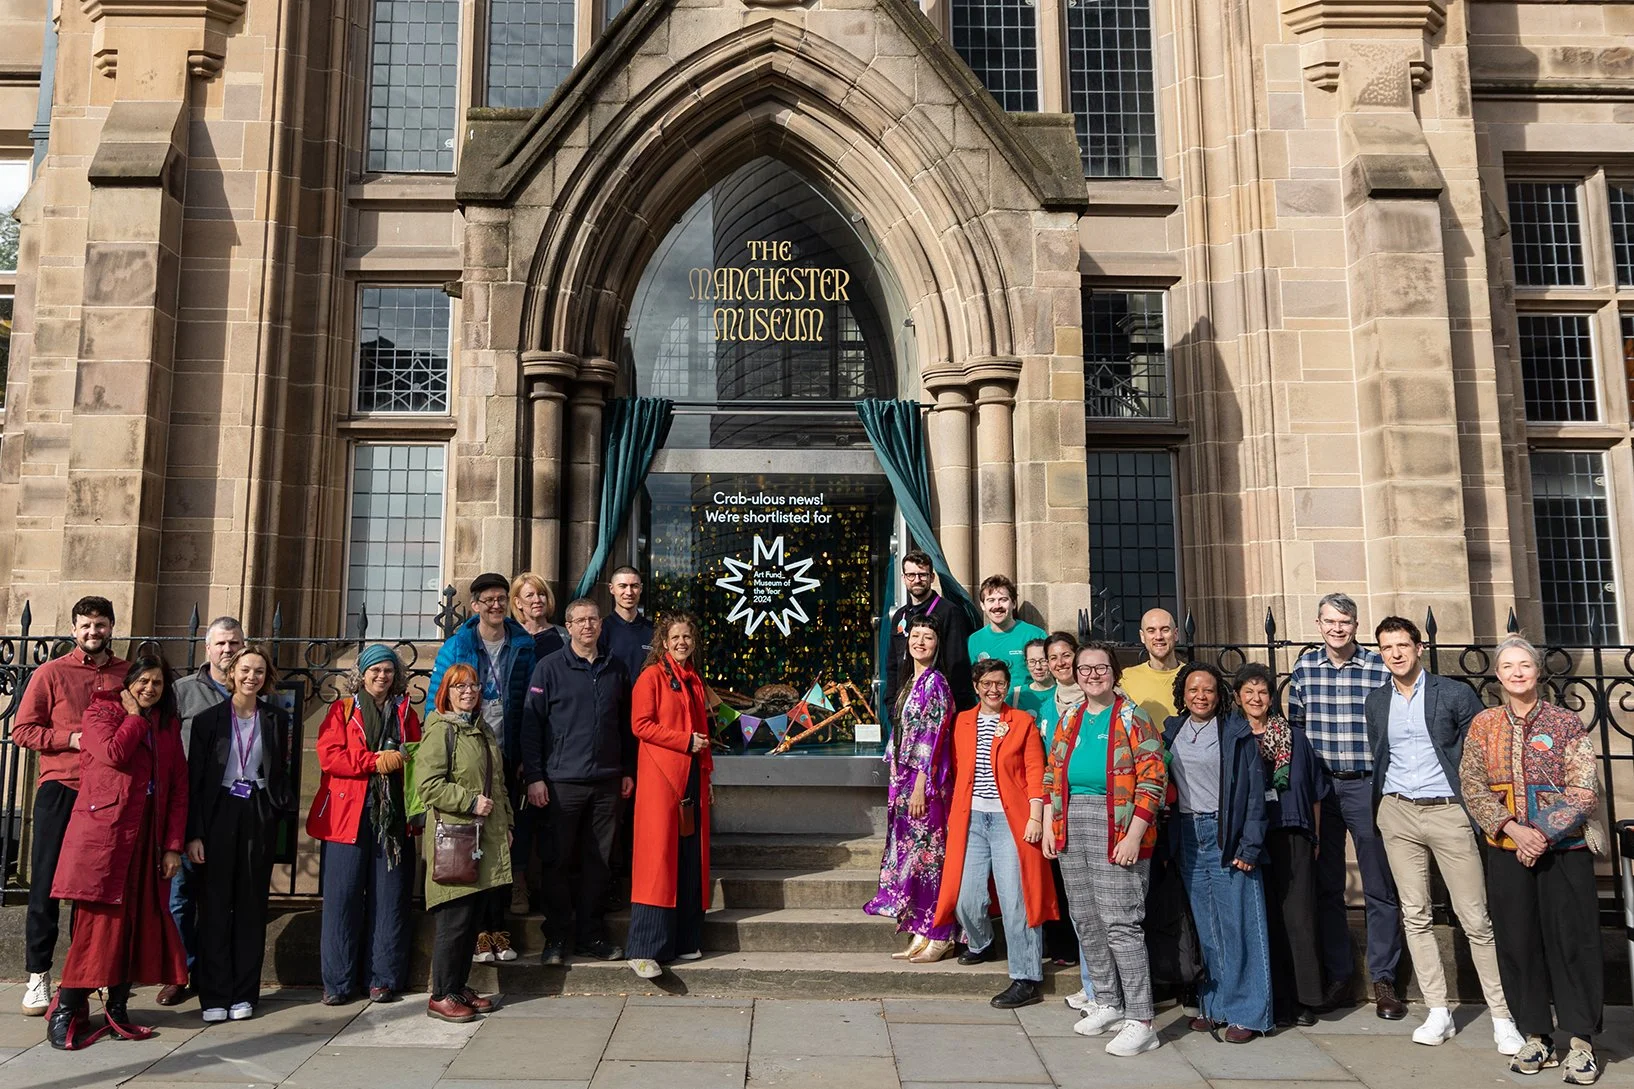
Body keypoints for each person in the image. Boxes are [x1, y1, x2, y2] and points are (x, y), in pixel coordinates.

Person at [1365, 617, 1522, 1053]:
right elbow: (1382, 754)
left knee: (1475, 918)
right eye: (1386, 647)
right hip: (1397, 813)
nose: (1395, 653)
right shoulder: (1376, 702)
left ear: (1418, 647)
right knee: (1414, 915)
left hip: (1449, 813)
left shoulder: (1453, 694)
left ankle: (1502, 1015)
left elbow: (1481, 755)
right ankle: (1438, 1011)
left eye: (1402, 645)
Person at [1459, 637, 1603, 1084]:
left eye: (1525, 665)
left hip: (1564, 852)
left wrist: (1541, 831)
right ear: (1498, 675)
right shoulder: (1483, 725)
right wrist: (1514, 830)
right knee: (1518, 943)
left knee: (1571, 943)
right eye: (1508, 666)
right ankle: (1536, 1036)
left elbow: (1583, 789)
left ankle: (1581, 1042)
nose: (1517, 672)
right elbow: (1472, 785)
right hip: (1508, 851)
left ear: (1538, 672)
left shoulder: (1565, 722)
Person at [46, 655, 187, 1050]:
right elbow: (112, 754)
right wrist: (135, 717)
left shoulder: (168, 725)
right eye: (143, 681)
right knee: (98, 930)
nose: (149, 689)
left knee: (139, 924)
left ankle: (118, 1009)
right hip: (107, 837)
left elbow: (178, 787)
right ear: (129, 682)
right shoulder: (100, 713)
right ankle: (66, 1008)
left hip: (148, 838)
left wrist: (173, 845)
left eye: (157, 683)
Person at [1042, 642, 1167, 1057]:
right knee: (1087, 920)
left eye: (1100, 668)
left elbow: (1153, 780)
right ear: (1075, 674)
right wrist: (1048, 825)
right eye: (1084, 669)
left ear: (1114, 673)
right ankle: (1108, 1002)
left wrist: (1133, 834)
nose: (1092, 675)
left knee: (1121, 923)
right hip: (1072, 824)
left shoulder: (1134, 718)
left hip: (1117, 824)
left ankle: (1142, 1019)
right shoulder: (1070, 717)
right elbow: (1051, 774)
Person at [1286, 592, 1403, 1019]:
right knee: (1327, 886)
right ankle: (1338, 976)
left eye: (1346, 622)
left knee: (1379, 885)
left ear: (1356, 625)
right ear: (1318, 624)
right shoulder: (1303, 668)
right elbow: (1296, 731)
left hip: (1366, 785)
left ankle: (1384, 978)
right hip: (1321, 791)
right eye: (1330, 621)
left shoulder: (1376, 667)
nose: (1338, 629)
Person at [12, 595, 129, 1017]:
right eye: (85, 625)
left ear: (111, 627)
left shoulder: (127, 674)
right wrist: (70, 739)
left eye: (100, 625)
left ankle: (86, 975)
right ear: (74, 628)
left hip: (109, 795)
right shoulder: (51, 673)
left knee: (95, 889)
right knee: (45, 884)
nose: (93, 632)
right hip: (62, 787)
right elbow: (22, 730)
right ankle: (38, 975)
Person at [933, 659, 1057, 1009]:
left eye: (999, 683)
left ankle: (1027, 976)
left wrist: (1035, 817)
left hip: (1010, 821)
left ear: (1007, 686)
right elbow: (957, 770)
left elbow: (1037, 772)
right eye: (986, 683)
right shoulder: (962, 722)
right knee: (965, 896)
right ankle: (982, 942)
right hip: (971, 820)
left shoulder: (1022, 722)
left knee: (1017, 899)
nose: (993, 689)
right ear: (976, 686)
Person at [427, 573, 537, 962]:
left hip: (505, 757)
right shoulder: (457, 644)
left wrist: (527, 757)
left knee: (502, 843)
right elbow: (436, 701)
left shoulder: (523, 643)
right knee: (470, 848)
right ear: (474, 605)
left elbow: (530, 705)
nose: (495, 605)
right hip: (466, 760)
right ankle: (476, 934)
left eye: (501, 598)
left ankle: (498, 930)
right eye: (488, 599)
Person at [305, 643, 422, 1005]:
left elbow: (416, 755)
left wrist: (399, 758)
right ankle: (337, 983)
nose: (382, 676)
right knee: (342, 900)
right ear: (362, 674)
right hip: (347, 817)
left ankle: (383, 979)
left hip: (393, 817)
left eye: (388, 670)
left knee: (390, 901)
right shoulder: (341, 710)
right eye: (375, 669)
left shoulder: (406, 713)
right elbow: (331, 757)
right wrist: (374, 761)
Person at [185, 645, 295, 1023]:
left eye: (260, 671)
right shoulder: (208, 719)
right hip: (219, 811)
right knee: (214, 906)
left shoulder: (276, 718)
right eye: (246, 670)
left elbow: (283, 770)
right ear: (232, 673)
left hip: (257, 809)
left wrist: (277, 809)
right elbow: (195, 782)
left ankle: (244, 993)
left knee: (251, 905)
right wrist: (194, 834)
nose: (252, 677)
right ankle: (214, 994)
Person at [1163, 662, 1272, 1043]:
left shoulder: (1235, 732)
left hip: (1228, 835)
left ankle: (1249, 1013)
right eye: (1193, 689)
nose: (1201, 696)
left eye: (1208, 689)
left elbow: (1256, 795)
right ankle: (1216, 1007)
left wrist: (1250, 844)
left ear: (1219, 694)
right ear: (1182, 693)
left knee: (1240, 925)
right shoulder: (1172, 732)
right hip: (1190, 835)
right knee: (1207, 927)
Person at [521, 597, 634, 965]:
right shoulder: (548, 668)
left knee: (599, 862)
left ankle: (591, 936)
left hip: (606, 782)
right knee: (556, 861)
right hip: (560, 783)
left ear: (601, 626)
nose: (588, 625)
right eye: (580, 620)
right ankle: (556, 937)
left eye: (593, 619)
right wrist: (535, 777)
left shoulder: (616, 667)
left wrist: (627, 770)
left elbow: (626, 726)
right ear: (567, 626)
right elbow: (531, 727)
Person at [417, 663, 513, 1023]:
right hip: (454, 837)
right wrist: (469, 801)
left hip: (481, 837)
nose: (468, 692)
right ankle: (441, 994)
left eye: (473, 685)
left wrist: (507, 824)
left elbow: (497, 783)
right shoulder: (441, 731)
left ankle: (458, 987)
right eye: (460, 687)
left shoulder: (480, 729)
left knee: (469, 920)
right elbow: (427, 785)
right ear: (447, 692)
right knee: (453, 921)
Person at [626, 612, 715, 978]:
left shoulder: (694, 680)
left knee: (687, 858)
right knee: (658, 861)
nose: (682, 643)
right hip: (662, 779)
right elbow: (640, 725)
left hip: (690, 776)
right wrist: (685, 741)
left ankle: (682, 940)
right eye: (676, 637)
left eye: (688, 638)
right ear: (664, 641)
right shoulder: (651, 677)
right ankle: (645, 948)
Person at [1235, 663, 1324, 1028]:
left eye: (1263, 692)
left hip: (1291, 831)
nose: (1256, 699)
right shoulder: (1233, 736)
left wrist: (1314, 835)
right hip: (1248, 838)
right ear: (1238, 697)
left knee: (1298, 918)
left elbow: (1315, 792)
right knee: (1261, 919)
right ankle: (1268, 996)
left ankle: (1303, 998)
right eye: (1249, 692)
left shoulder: (1294, 737)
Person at [865, 613, 956, 963]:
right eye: (915, 636)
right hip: (903, 784)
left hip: (924, 786)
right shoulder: (909, 683)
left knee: (930, 860)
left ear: (937, 645)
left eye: (928, 637)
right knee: (914, 860)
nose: (920, 642)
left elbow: (932, 740)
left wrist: (920, 786)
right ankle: (920, 929)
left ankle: (940, 932)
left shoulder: (936, 683)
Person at [165, 616, 244, 1006]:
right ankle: (180, 972)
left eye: (234, 644)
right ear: (207, 648)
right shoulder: (181, 692)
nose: (227, 650)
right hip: (186, 806)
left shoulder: (250, 690)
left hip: (231, 810)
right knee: (179, 895)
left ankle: (215, 971)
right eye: (221, 644)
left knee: (221, 897)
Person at [886, 549, 974, 711]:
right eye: (911, 575)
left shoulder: (949, 612)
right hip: (904, 702)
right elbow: (893, 664)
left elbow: (957, 664)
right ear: (903, 578)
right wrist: (891, 704)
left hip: (936, 702)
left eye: (923, 575)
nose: (917, 580)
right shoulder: (900, 616)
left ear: (932, 577)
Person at [966, 574, 1047, 683]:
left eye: (1003, 599)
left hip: (1029, 700)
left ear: (1013, 603)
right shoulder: (973, 641)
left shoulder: (1034, 635)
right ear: (983, 606)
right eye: (991, 600)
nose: (997, 605)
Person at [1118, 609, 1184, 727]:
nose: (1158, 636)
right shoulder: (1126, 678)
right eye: (1151, 631)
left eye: (1165, 630)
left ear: (1175, 634)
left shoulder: (1192, 676)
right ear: (1142, 636)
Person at [599, 566, 655, 684]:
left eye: (634, 586)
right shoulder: (600, 630)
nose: (629, 592)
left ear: (641, 589)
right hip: (612, 701)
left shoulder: (654, 631)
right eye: (623, 586)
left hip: (646, 700)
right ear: (611, 588)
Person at [512, 571, 565, 661]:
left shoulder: (564, 636)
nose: (537, 600)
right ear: (518, 603)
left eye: (541, 594)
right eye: (530, 595)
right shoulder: (511, 636)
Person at [1010, 638, 1054, 733]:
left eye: (1043, 661)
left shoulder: (1063, 693)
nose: (1038, 667)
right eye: (1032, 661)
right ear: (1026, 664)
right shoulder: (1016, 696)